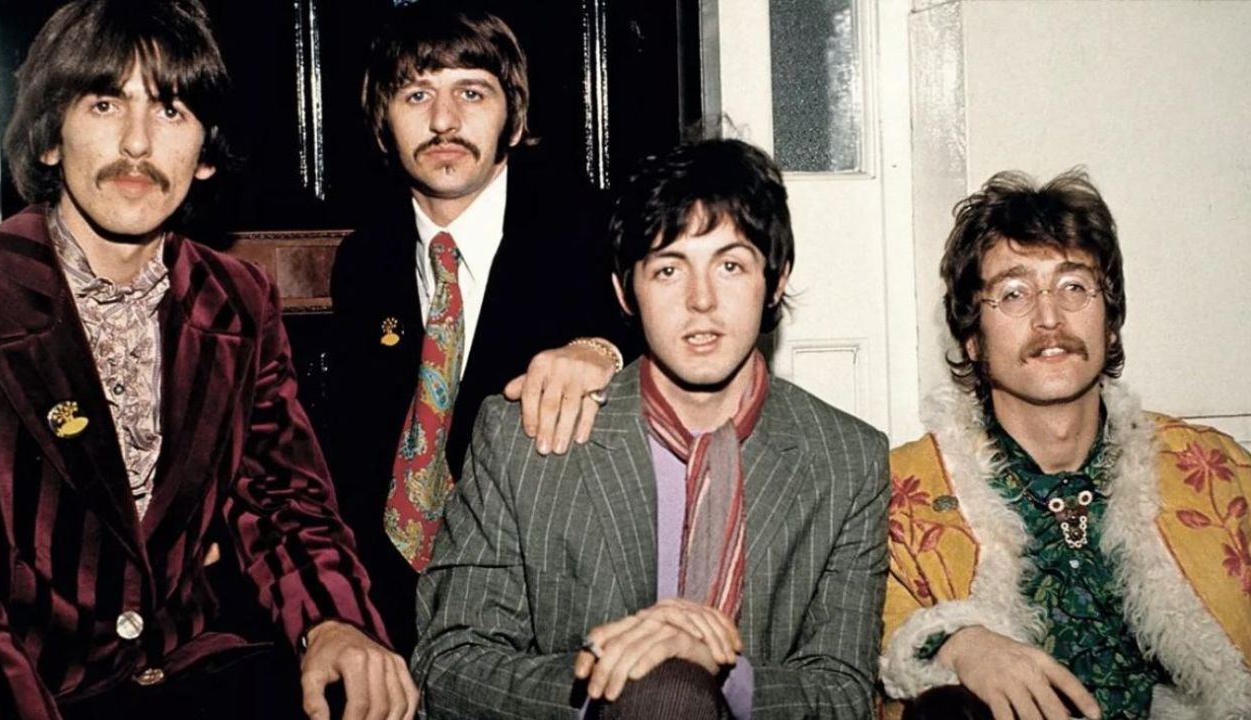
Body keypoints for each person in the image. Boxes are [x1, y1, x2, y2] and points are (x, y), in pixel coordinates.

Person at [0, 1, 416, 718]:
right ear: (51, 136)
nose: (138, 143)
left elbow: (281, 500)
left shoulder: (238, 300)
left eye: (172, 110)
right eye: (106, 103)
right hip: (26, 685)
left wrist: (335, 623)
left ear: (206, 153)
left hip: (188, 669)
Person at [413, 138, 889, 719]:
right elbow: (451, 665)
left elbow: (843, 691)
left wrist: (725, 675)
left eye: (731, 266)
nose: (701, 300)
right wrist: (618, 673)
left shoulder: (846, 459)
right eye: (668, 269)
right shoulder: (523, 436)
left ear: (777, 279)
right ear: (625, 292)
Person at [880, 170, 1251, 719]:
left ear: (1111, 322)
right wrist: (960, 641)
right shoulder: (901, 500)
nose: (1050, 318)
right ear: (973, 339)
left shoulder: (1218, 473)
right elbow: (866, 644)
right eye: (1013, 293)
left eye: (1074, 287)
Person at [327, 3, 633, 654]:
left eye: (471, 92)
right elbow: (355, 455)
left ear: (513, 117)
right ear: (382, 122)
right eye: (416, 95)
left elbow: (673, 329)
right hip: (391, 612)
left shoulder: (591, 233)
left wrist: (601, 349)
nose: (443, 121)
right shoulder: (364, 260)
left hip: (550, 617)